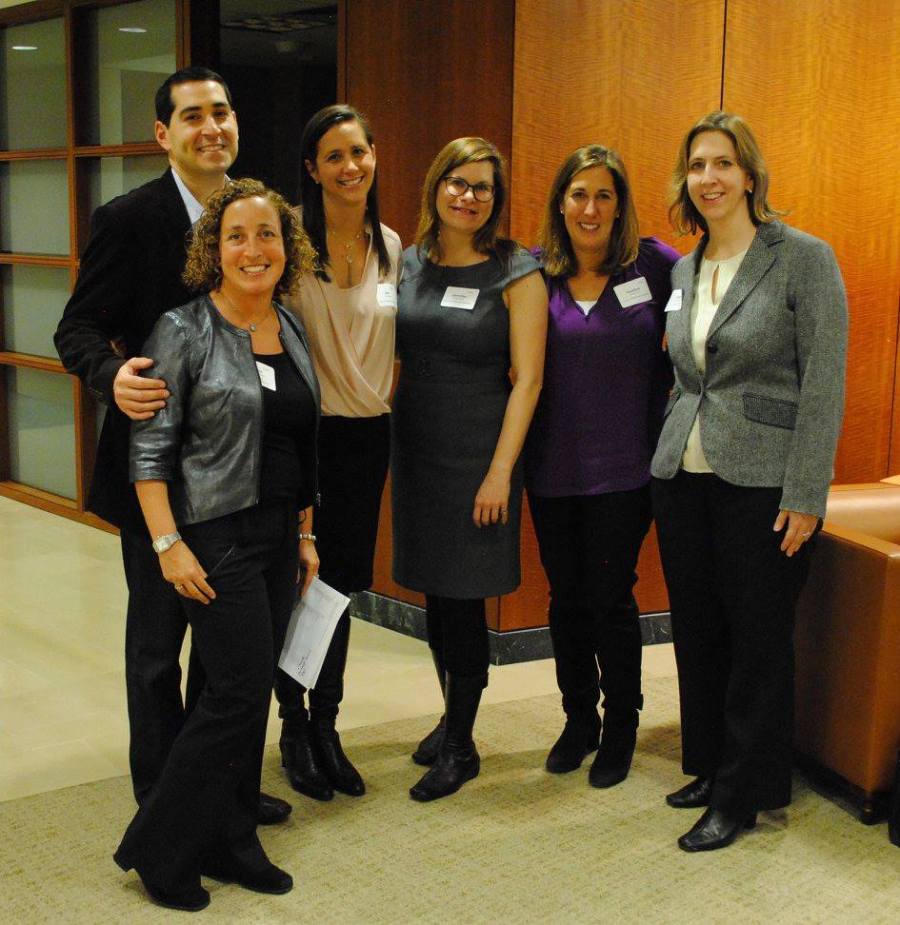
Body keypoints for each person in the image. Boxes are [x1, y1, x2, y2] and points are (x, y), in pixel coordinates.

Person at [53, 67, 290, 825]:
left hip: (244, 473)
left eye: (221, 111)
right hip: (155, 471)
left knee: (234, 657)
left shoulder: (256, 213)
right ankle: (162, 808)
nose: (211, 126)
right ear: (165, 135)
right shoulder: (128, 219)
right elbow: (76, 327)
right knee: (159, 654)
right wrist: (110, 374)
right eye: (193, 116)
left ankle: (229, 790)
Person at [113, 179, 319, 911]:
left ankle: (232, 837)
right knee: (235, 690)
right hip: (212, 530)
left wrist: (304, 531)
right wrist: (168, 542)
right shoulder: (184, 328)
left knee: (233, 689)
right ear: (214, 248)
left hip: (274, 531)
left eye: (267, 234)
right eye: (237, 235)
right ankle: (158, 846)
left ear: (285, 247)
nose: (253, 248)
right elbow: (150, 449)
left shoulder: (289, 326)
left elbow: (297, 444)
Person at [651, 111, 847, 851]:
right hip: (683, 474)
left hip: (763, 482)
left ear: (750, 175)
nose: (710, 178)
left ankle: (744, 791)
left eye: (724, 163)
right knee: (698, 630)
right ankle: (710, 763)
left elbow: (824, 384)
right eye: (698, 165)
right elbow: (686, 373)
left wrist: (807, 494)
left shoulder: (801, 258)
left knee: (758, 639)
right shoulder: (684, 267)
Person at [392, 137, 548, 802]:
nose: (469, 196)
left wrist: (499, 471)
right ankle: (450, 713)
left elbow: (530, 379)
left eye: (483, 187)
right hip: (419, 451)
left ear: (497, 199)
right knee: (435, 592)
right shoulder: (409, 263)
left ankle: (463, 743)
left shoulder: (515, 269)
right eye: (457, 181)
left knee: (465, 601)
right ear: (436, 185)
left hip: (478, 454)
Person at [525, 146, 678, 788]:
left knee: (611, 597)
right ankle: (578, 719)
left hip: (626, 470)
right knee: (566, 600)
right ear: (561, 203)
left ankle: (620, 728)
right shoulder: (533, 273)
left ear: (621, 206)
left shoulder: (656, 264)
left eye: (604, 196)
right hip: (553, 469)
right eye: (578, 195)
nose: (590, 209)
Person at [274, 104, 402, 802]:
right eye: (334, 156)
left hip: (368, 435)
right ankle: (294, 723)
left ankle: (326, 723)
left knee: (343, 583)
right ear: (312, 168)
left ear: (373, 156)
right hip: (308, 432)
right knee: (304, 580)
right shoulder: (290, 240)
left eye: (359, 151)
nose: (350, 167)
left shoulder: (392, 244)